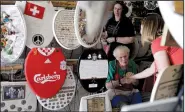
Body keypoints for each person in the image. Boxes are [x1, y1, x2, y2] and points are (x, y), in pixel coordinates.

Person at [130, 14, 183, 82]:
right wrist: (132, 77)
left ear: (148, 29)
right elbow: (151, 70)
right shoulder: (165, 39)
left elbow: (165, 74)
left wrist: (159, 75)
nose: (140, 31)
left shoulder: (157, 43)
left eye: (141, 28)